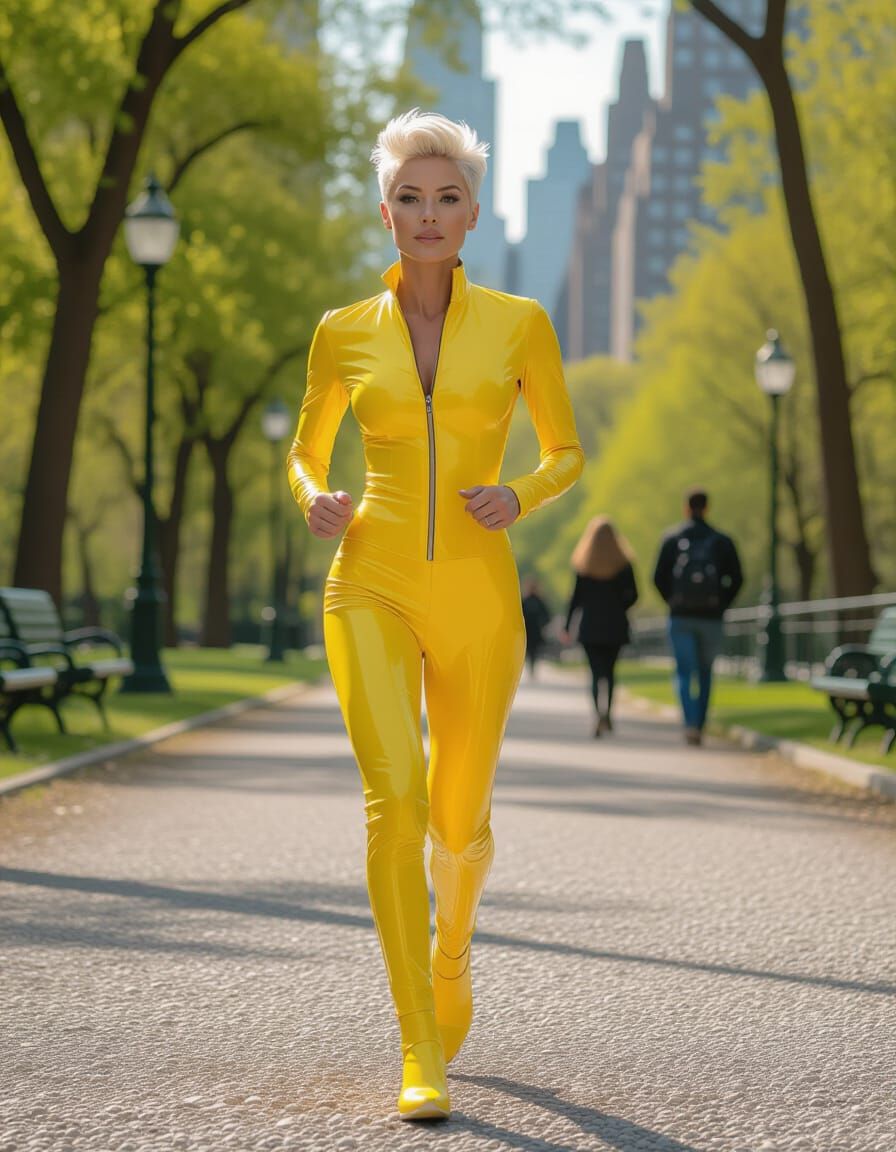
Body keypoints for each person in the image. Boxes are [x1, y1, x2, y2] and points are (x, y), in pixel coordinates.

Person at [287, 110, 584, 1121]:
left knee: (457, 826)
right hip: (365, 580)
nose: (427, 214)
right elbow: (301, 449)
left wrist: (523, 496)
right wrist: (311, 498)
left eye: (445, 197)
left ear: (470, 212)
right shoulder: (341, 333)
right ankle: (419, 1044)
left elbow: (565, 450)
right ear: (385, 213)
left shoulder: (518, 324)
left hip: (475, 591)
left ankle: (450, 954)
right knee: (395, 805)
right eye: (409, 198)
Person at [653, 487, 743, 746]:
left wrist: (672, 601)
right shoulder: (721, 541)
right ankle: (700, 724)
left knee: (683, 672)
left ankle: (689, 722)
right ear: (707, 508)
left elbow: (658, 577)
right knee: (705, 672)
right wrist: (722, 604)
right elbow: (737, 578)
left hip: (680, 617)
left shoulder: (672, 539)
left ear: (686, 507)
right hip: (711, 618)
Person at [562, 516, 638, 737]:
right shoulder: (624, 565)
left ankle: (597, 714)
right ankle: (609, 715)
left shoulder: (584, 565)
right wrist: (619, 606)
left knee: (595, 674)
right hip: (615, 625)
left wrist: (567, 627)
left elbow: (575, 600)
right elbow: (634, 595)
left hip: (590, 626)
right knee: (611, 672)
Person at [521, 576, 552, 679]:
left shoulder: (537, 601)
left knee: (533, 651)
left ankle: (532, 668)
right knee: (530, 650)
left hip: (533, 630)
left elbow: (546, 616)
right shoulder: (525, 601)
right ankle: (531, 668)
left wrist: (542, 624)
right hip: (528, 630)